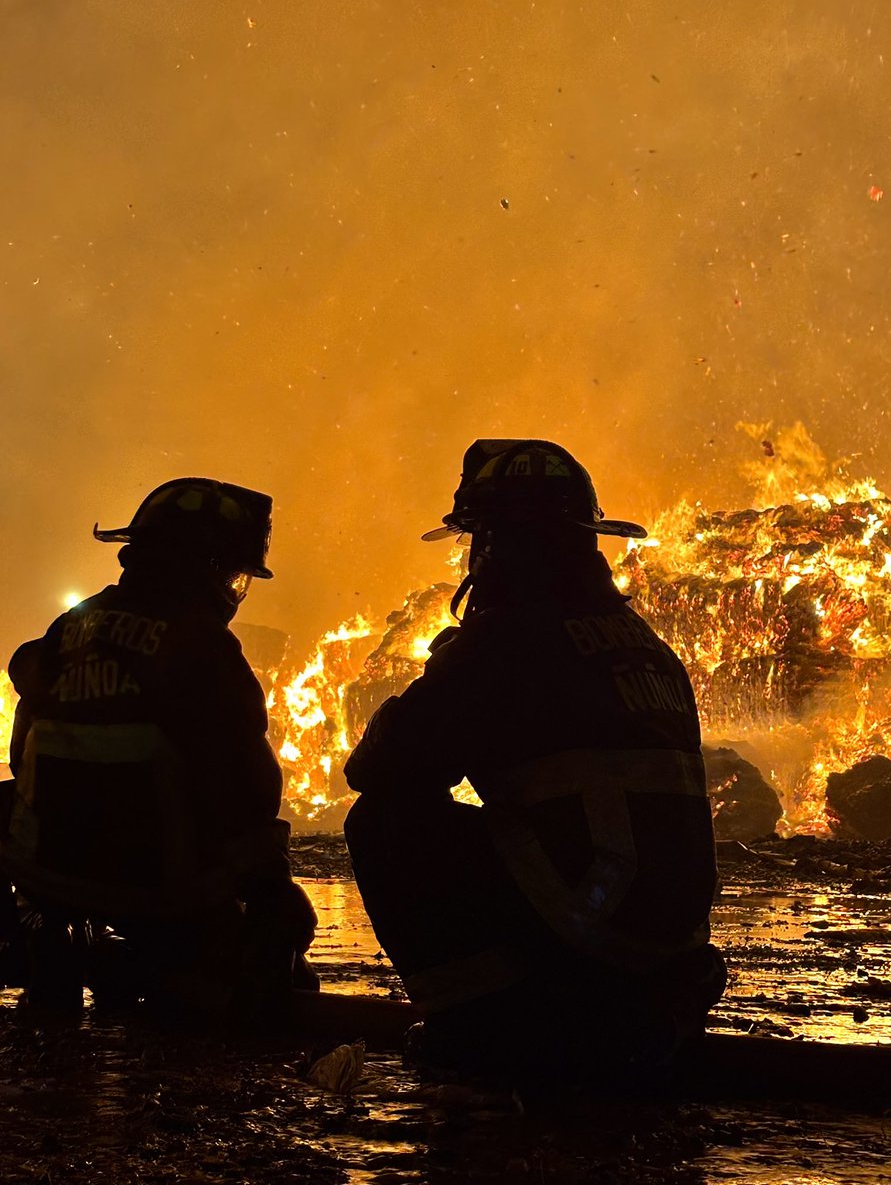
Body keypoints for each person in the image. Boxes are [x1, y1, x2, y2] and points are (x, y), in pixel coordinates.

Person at [344, 439, 725, 1083]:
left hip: (591, 927)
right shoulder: (648, 646)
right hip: (670, 939)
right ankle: (630, 1002)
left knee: (384, 822)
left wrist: (445, 672)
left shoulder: (508, 641)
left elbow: (382, 768)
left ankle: (485, 1020)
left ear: (489, 545)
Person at [0, 478, 317, 1019]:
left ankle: (30, 939)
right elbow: (246, 791)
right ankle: (176, 970)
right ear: (210, 570)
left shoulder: (67, 631)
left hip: (46, 875)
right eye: (234, 575)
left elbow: (24, 753)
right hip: (162, 889)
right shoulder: (206, 648)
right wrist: (273, 903)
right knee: (286, 958)